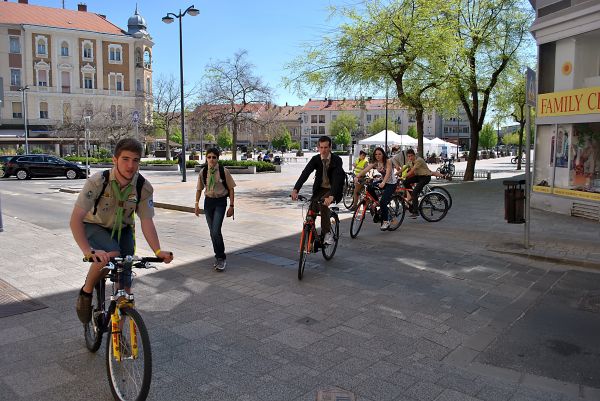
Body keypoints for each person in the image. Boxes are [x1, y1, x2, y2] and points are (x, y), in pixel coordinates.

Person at [71, 138, 174, 324]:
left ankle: (118, 336)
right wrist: (88, 251)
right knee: (112, 254)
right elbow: (75, 219)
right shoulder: (97, 182)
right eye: (125, 159)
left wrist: (158, 251)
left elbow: (146, 221)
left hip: (123, 229)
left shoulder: (143, 187)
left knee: (125, 288)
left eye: (135, 160)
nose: (130, 165)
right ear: (114, 160)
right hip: (95, 226)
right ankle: (86, 292)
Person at [291, 135, 345, 245]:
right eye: (321, 147)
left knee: (324, 204)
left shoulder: (337, 160)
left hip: (334, 188)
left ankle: (327, 234)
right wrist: (296, 189)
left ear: (330, 147)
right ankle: (311, 239)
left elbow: (337, 178)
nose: (323, 150)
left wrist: (332, 195)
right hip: (320, 189)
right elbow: (305, 173)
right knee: (311, 211)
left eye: (326, 147)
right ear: (318, 147)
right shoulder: (315, 159)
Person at [195, 148, 236, 271]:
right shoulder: (203, 172)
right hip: (208, 202)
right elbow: (199, 189)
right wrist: (196, 204)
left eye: (214, 157)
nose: (211, 159)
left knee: (216, 230)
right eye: (209, 157)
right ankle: (218, 256)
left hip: (220, 202)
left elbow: (231, 189)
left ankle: (221, 258)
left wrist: (232, 206)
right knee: (212, 232)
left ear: (217, 158)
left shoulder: (224, 171)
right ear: (206, 158)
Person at [354, 147, 397, 230]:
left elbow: (388, 173)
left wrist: (383, 182)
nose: (378, 156)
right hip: (383, 181)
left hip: (391, 183)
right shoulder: (376, 163)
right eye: (376, 154)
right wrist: (357, 176)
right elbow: (366, 169)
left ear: (383, 154)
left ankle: (386, 221)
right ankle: (377, 201)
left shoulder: (387, 161)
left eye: (379, 154)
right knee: (369, 187)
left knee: (383, 202)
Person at [403, 148, 443, 218]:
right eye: (408, 156)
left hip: (425, 177)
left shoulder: (419, 160)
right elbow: (405, 168)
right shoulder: (410, 161)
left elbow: (412, 171)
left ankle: (416, 211)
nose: (410, 157)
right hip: (419, 177)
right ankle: (413, 195)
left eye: (411, 156)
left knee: (414, 192)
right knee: (405, 182)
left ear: (414, 155)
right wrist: (397, 173)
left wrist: (404, 176)